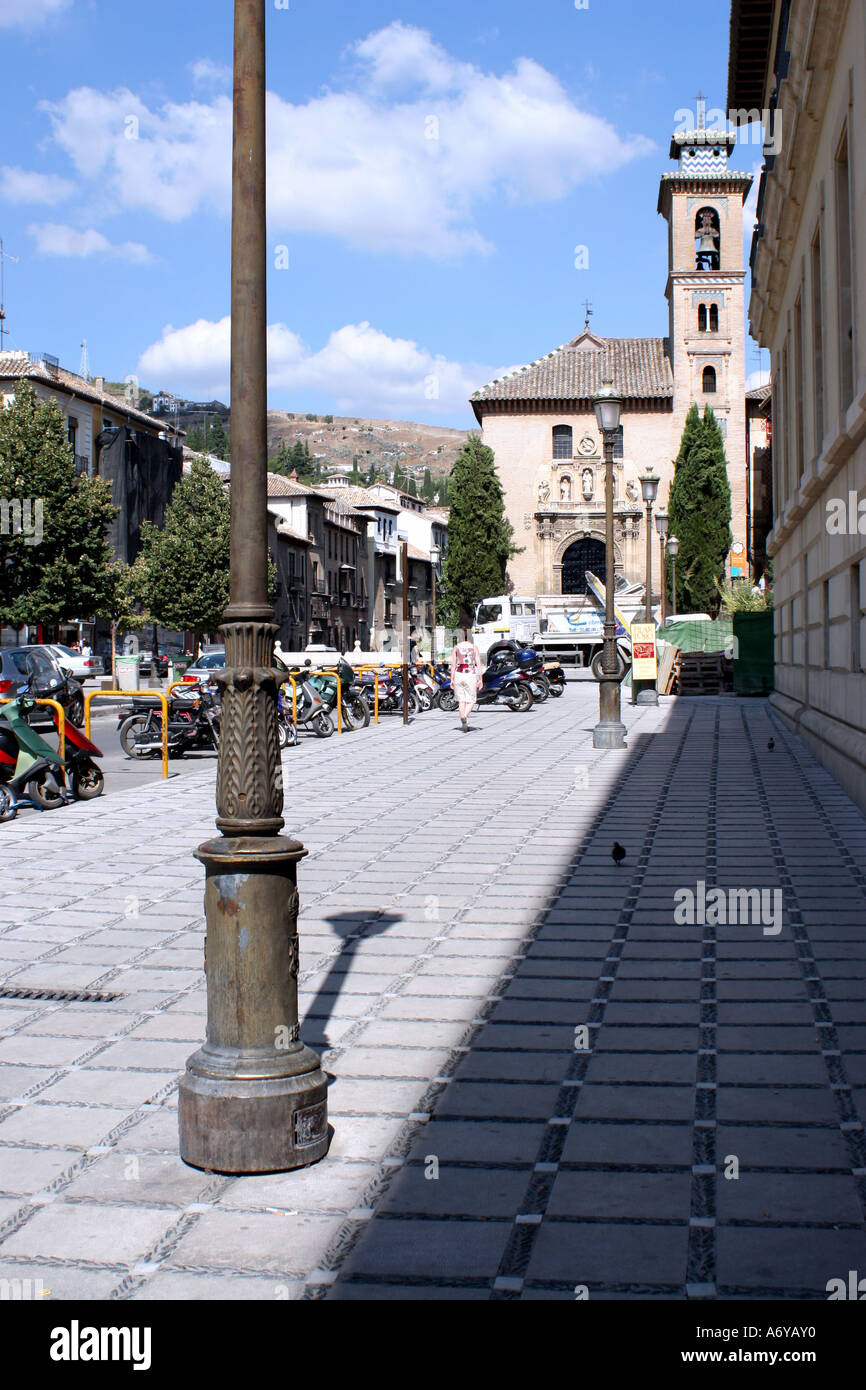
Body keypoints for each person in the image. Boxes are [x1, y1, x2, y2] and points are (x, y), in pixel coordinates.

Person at [450, 629, 483, 732]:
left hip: (459, 673)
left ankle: (462, 719)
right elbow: (478, 664)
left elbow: (453, 664)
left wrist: (452, 678)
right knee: (471, 699)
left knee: (461, 700)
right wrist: (481, 679)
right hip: (470, 674)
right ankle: (464, 716)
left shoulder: (456, 648)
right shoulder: (474, 648)